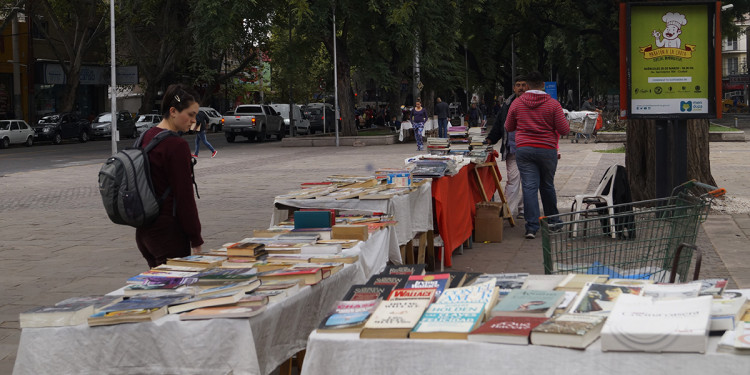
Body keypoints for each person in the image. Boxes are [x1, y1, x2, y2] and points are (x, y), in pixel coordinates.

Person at [135, 84, 204, 267]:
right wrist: (196, 238)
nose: (193, 121)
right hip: (168, 234)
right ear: (173, 111)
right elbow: (184, 197)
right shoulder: (176, 145)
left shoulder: (146, 136)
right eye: (190, 114)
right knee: (176, 292)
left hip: (145, 231)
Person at [504, 71, 569, 239]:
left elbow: (509, 126)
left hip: (524, 149)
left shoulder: (517, 104)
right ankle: (553, 222)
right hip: (547, 149)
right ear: (543, 85)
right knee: (547, 185)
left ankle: (531, 227)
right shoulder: (553, 104)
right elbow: (564, 129)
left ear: (527, 86)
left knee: (529, 187)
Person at [486, 76, 528, 219]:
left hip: (529, 149)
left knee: (529, 181)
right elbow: (499, 124)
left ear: (528, 87)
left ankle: (524, 210)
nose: (521, 87)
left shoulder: (532, 102)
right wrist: (490, 138)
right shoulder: (508, 104)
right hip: (512, 149)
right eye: (518, 85)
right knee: (513, 180)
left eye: (523, 85)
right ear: (514, 88)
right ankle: (508, 212)